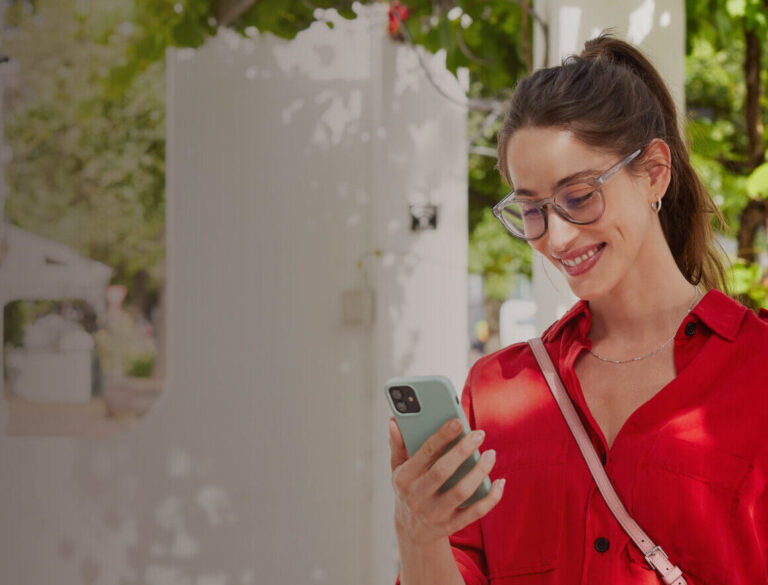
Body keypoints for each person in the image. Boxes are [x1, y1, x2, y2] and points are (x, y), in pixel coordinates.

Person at [388, 34, 768, 585]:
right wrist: (417, 535)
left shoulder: (756, 372)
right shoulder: (497, 393)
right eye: (532, 210)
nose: (557, 236)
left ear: (655, 172)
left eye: (580, 195)